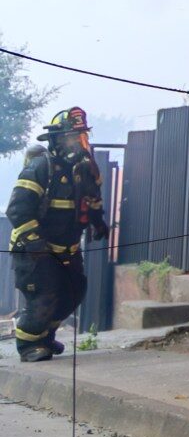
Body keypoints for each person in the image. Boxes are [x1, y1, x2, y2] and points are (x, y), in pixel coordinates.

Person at [8, 106, 108, 362]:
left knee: (73, 292)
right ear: (56, 139)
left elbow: (92, 200)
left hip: (68, 248)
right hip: (34, 248)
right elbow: (18, 210)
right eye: (71, 137)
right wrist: (35, 243)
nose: (78, 143)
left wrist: (98, 222)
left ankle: (45, 337)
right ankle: (28, 345)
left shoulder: (85, 171)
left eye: (81, 136)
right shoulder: (42, 168)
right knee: (44, 294)